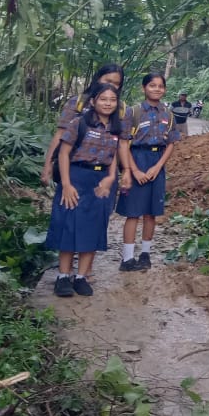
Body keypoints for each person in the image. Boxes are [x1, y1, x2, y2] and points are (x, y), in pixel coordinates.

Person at [45, 82, 125, 297]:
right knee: (69, 225)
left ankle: (81, 277)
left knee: (93, 227)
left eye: (112, 100)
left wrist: (110, 178)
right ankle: (63, 276)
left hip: (100, 182)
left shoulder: (117, 127)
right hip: (76, 177)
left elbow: (114, 156)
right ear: (93, 101)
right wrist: (67, 184)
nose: (108, 103)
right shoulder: (79, 123)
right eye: (103, 99)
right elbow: (63, 154)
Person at [116, 72, 178, 272]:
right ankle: (127, 258)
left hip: (157, 162)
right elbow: (123, 143)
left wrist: (158, 166)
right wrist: (133, 170)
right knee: (133, 213)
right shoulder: (133, 112)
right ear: (144, 88)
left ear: (165, 90)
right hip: (136, 158)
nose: (157, 89)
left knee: (151, 213)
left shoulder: (168, 114)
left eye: (160, 86)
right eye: (152, 85)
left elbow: (171, 144)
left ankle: (145, 254)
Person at [41, 63, 125, 186]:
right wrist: (48, 164)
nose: (110, 86)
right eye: (108, 80)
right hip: (74, 169)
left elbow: (120, 144)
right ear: (98, 79)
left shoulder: (120, 109)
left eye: (116, 84)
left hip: (104, 173)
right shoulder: (77, 103)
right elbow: (61, 134)